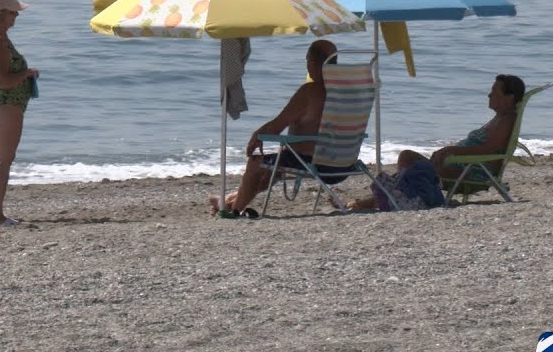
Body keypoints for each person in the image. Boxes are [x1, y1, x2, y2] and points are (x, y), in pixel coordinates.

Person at [347, 74, 525, 210]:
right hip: (462, 166)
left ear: (508, 98)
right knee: (410, 164)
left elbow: (489, 149)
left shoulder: (506, 119)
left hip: (472, 172)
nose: (489, 95)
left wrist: (452, 151)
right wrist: (450, 152)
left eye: (494, 92)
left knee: (410, 161)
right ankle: (382, 199)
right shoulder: (499, 118)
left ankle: (374, 201)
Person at [209, 39, 338, 218]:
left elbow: (276, 126)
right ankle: (229, 201)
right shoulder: (347, 91)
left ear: (313, 62)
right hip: (342, 163)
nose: (307, 65)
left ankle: (235, 211)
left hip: (311, 162)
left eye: (307, 60)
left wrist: (256, 137)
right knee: (269, 171)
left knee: (256, 163)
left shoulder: (310, 92)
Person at [0, 0, 38, 227]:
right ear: (1, 14)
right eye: (13, 13)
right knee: (3, 161)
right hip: (5, 102)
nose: (16, 17)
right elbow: (2, 80)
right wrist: (26, 73)